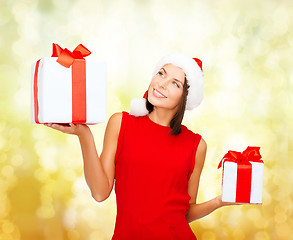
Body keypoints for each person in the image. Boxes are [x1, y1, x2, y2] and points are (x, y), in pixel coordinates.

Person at [44, 53, 238, 240]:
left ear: (185, 97)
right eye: (161, 73)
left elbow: (185, 213)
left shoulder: (196, 145)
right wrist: (84, 135)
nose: (161, 83)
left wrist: (219, 201)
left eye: (175, 83)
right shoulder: (121, 124)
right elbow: (100, 192)